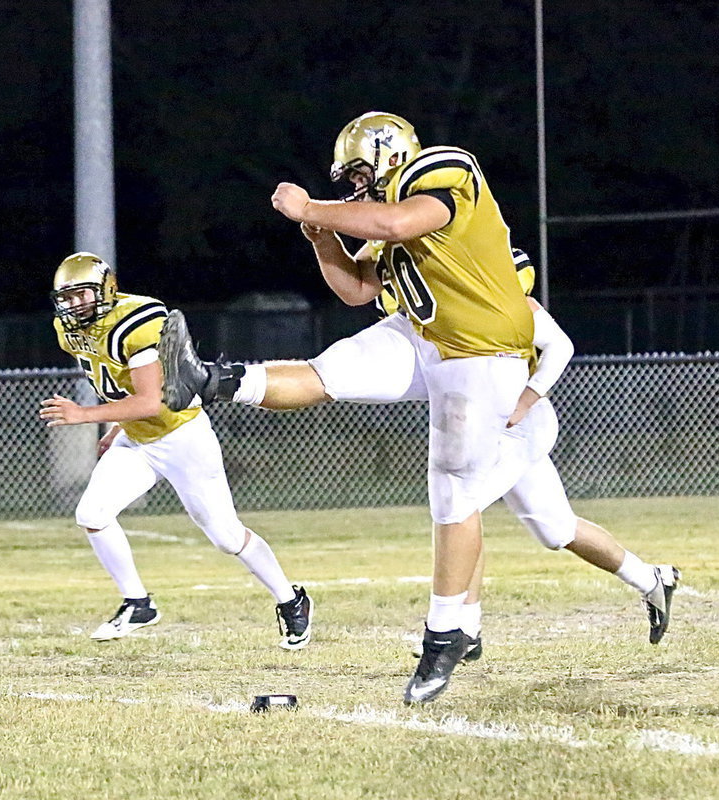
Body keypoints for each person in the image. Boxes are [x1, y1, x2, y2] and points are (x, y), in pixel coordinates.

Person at [160, 111, 539, 704]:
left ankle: (447, 635)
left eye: (360, 172)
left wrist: (312, 209)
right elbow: (357, 288)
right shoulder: (379, 212)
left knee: (452, 490)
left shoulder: (443, 167)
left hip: (483, 351)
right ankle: (208, 380)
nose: (355, 186)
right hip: (423, 337)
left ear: (390, 153)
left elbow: (397, 220)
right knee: (327, 372)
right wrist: (322, 237)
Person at [414, 249, 681, 664]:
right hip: (498, 429)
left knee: (461, 508)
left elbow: (561, 347)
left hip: (522, 427)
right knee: (557, 531)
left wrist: (526, 398)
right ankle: (652, 579)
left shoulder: (517, 309)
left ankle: (465, 627)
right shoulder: (464, 307)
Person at [40, 252, 312, 649]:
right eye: (68, 298)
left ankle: (291, 600)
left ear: (107, 289)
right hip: (136, 437)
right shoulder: (70, 331)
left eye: (83, 295)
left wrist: (85, 414)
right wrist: (117, 425)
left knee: (226, 536)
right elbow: (121, 384)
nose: (75, 305)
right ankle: (138, 603)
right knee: (92, 514)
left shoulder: (136, 323)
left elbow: (154, 400)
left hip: (182, 436)